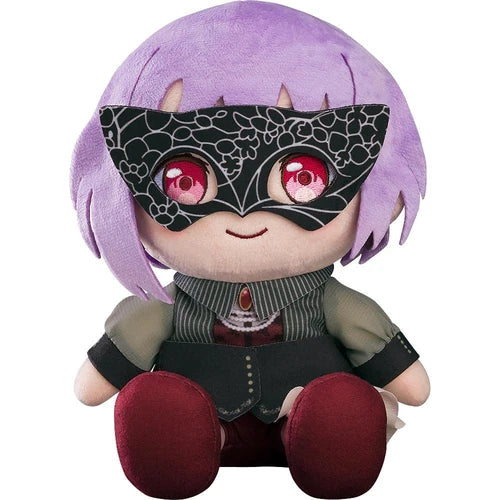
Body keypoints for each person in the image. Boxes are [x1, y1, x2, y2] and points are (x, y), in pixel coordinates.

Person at [71, 2, 430, 498]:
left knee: (340, 409)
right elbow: (93, 386)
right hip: (203, 423)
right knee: (161, 407)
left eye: (305, 177)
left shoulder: (330, 304)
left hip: (303, 412)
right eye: (183, 179)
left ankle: (324, 436)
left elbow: (412, 386)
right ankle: (185, 441)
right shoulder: (164, 307)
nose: (243, 216)